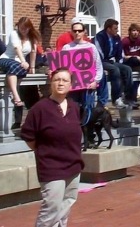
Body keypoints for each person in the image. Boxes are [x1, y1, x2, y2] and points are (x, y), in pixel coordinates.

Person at [21, 68, 84, 226]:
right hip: (51, 167)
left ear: (71, 85)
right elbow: (29, 137)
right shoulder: (40, 108)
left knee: (66, 205)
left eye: (65, 80)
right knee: (51, 208)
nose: (61, 83)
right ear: (51, 83)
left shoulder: (74, 107)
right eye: (57, 80)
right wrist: (44, 151)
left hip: (73, 165)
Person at [0, 17, 40, 107]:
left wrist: (32, 67)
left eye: (26, 28)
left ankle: (14, 92)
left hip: (19, 64)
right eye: (21, 28)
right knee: (14, 66)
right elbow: (17, 48)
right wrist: (23, 61)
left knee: (20, 68)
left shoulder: (32, 38)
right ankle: (15, 95)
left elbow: (33, 52)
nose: (23, 31)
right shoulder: (14, 34)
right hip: (6, 59)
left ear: (30, 28)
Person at [94, 19, 134, 108]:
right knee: (115, 69)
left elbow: (119, 52)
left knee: (127, 69)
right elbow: (98, 53)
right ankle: (116, 99)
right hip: (101, 61)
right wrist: (110, 63)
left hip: (111, 61)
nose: (117, 30)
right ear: (108, 29)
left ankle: (128, 98)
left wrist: (120, 62)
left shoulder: (117, 37)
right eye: (115, 28)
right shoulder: (100, 37)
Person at [62, 21, 103, 108]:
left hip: (88, 85)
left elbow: (98, 66)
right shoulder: (66, 48)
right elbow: (62, 67)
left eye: (80, 31)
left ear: (84, 32)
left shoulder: (91, 47)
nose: (77, 33)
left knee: (87, 110)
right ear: (72, 32)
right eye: (75, 30)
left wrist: (96, 81)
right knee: (72, 109)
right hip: (72, 86)